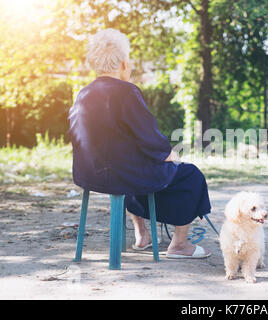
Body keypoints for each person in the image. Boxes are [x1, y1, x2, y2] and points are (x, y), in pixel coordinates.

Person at [68, 28, 211, 259]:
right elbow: (150, 138)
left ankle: (142, 234)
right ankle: (180, 245)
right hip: (123, 175)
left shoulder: (83, 94)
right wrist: (171, 156)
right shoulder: (127, 92)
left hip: (89, 174)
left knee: (132, 172)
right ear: (124, 62)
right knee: (191, 175)